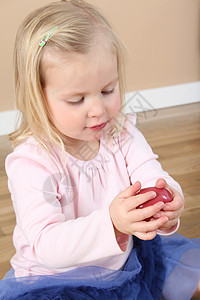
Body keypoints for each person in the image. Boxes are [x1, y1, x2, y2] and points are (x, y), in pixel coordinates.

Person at [1, 0, 200, 299]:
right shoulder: (31, 162)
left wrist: (168, 202)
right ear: (38, 98)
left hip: (126, 261)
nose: (98, 110)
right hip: (57, 281)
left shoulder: (121, 133)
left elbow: (151, 174)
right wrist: (111, 222)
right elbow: (48, 245)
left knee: (186, 271)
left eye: (107, 91)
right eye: (76, 100)